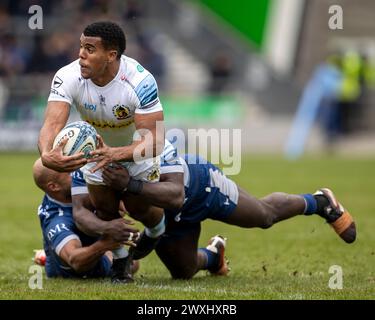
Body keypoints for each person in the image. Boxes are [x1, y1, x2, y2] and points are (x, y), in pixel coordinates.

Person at [74, 144, 357, 280]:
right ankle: (213, 255)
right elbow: (84, 212)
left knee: (264, 216)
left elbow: (174, 198)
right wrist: (112, 243)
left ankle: (318, 202)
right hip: (166, 214)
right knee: (183, 272)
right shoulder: (92, 169)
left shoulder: (152, 146)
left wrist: (131, 185)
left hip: (200, 188)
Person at [37, 21, 166, 282]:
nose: (81, 55)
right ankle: (120, 263)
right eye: (81, 47)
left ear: (111, 55)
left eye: (90, 49)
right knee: (104, 207)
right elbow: (51, 124)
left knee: (138, 208)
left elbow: (155, 141)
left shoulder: (140, 81)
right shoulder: (67, 75)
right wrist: (47, 153)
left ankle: (156, 230)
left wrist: (116, 154)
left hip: (135, 150)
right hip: (95, 152)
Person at [32, 158, 139, 279]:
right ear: (54, 186)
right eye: (69, 172)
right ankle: (55, 254)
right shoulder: (57, 220)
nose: (77, 171)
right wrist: (107, 243)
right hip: (77, 270)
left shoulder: (79, 186)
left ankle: (52, 252)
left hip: (93, 245)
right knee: (131, 265)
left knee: (132, 262)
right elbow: (75, 261)